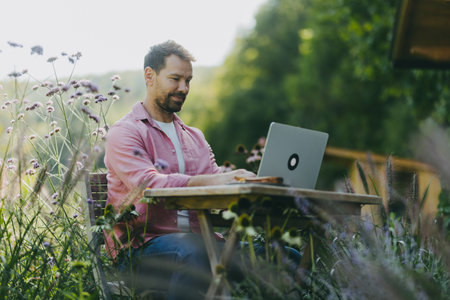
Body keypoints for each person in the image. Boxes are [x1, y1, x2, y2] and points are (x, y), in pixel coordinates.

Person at [104, 40, 255, 299]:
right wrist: (212, 182)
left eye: (188, 81)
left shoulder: (194, 136)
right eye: (175, 79)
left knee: (285, 256)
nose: (184, 88)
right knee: (195, 252)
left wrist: (247, 182)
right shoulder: (125, 132)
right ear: (149, 76)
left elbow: (215, 179)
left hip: (204, 242)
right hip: (142, 248)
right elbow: (148, 184)